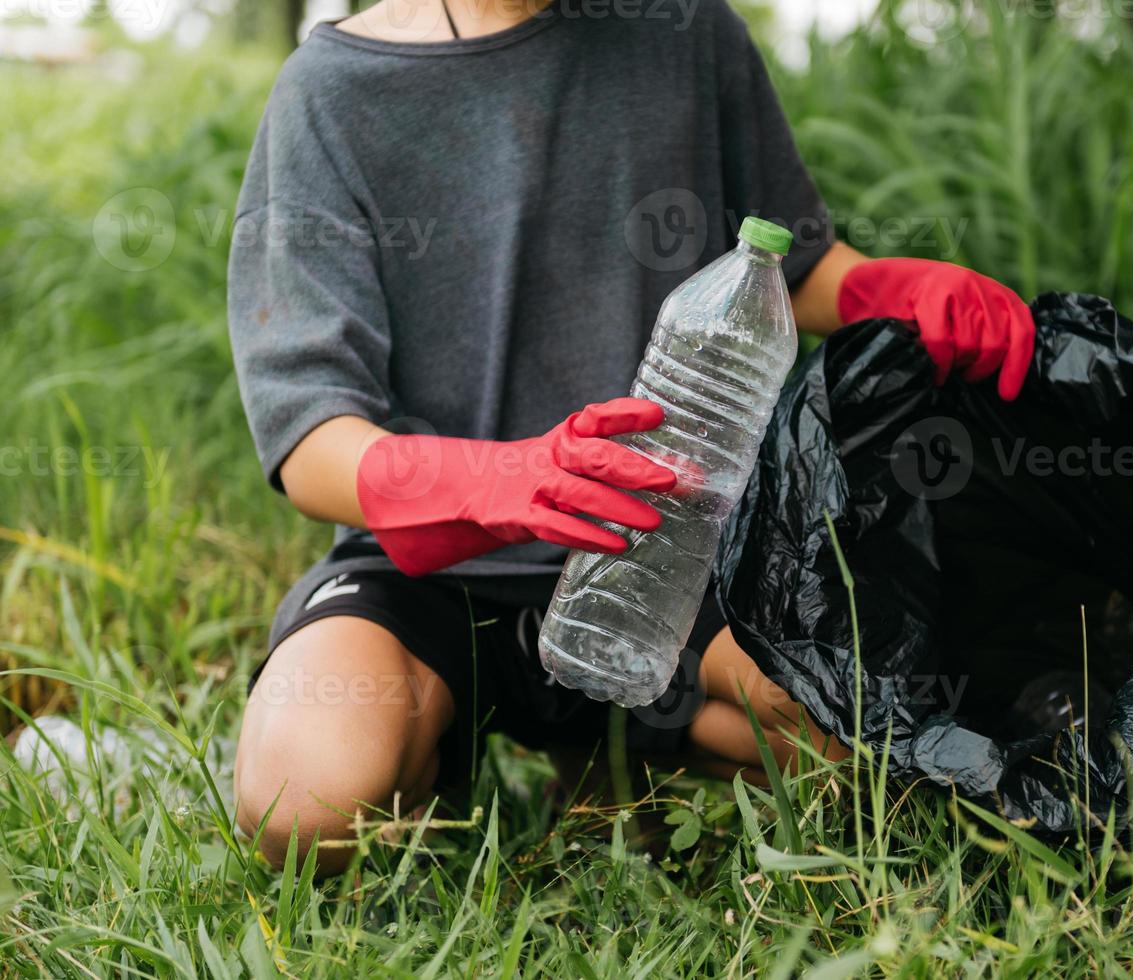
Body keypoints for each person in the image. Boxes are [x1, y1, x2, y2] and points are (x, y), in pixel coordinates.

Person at [227, 0, 1034, 875]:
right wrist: (497, 482)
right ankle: (449, 742)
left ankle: (617, 752)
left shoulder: (685, 28)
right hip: (425, 570)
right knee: (302, 803)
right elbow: (311, 438)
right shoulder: (333, 90)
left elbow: (784, 268)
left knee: (879, 761)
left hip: (660, 556)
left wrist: (894, 289)